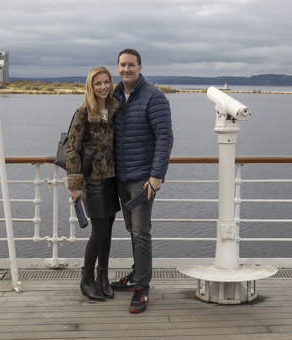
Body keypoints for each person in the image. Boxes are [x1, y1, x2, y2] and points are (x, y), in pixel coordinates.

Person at [111, 49, 173, 313]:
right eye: (123, 65)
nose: (127, 69)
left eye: (131, 65)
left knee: (141, 232)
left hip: (143, 179)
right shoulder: (113, 95)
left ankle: (142, 288)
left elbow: (165, 138)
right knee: (131, 229)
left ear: (140, 67)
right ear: (118, 67)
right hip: (121, 178)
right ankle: (136, 274)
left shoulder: (154, 97)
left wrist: (157, 176)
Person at [65, 66, 121, 301]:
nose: (103, 87)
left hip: (112, 179)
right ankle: (86, 280)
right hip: (93, 181)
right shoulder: (82, 112)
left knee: (108, 232)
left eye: (106, 82)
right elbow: (72, 149)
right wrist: (75, 184)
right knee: (98, 232)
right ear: (91, 85)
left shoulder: (116, 108)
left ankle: (103, 277)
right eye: (98, 83)